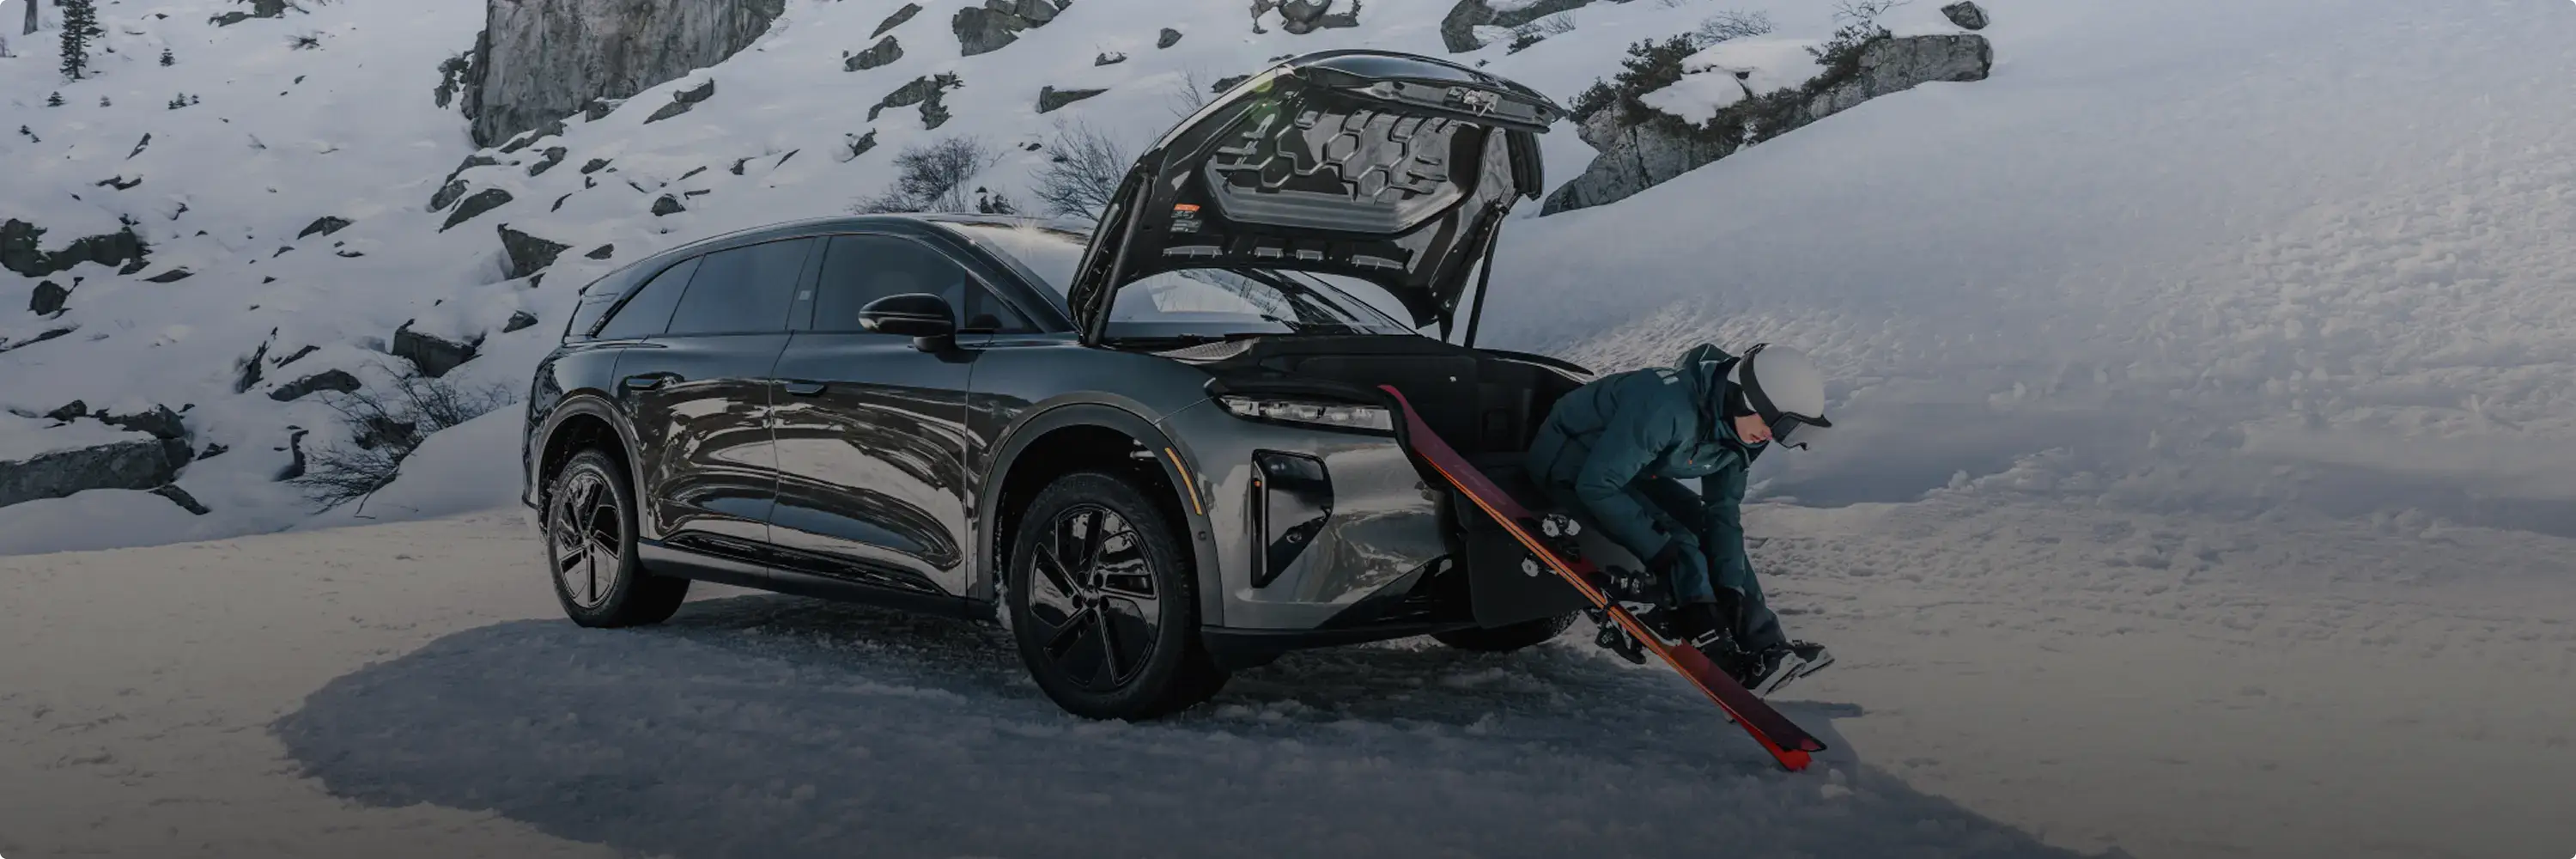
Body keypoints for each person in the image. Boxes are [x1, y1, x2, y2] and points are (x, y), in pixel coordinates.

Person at [1524, 342, 1833, 689]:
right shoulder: (1667, 406)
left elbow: (1722, 513)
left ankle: (1767, 647)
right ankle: (1716, 649)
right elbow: (1597, 485)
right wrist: (1661, 551)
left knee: (1707, 531)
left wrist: (1731, 587)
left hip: (1628, 467)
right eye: (1771, 423)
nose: (1770, 436)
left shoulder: (1745, 433)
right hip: (1569, 461)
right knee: (1679, 542)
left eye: (1780, 431)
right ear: (1744, 399)